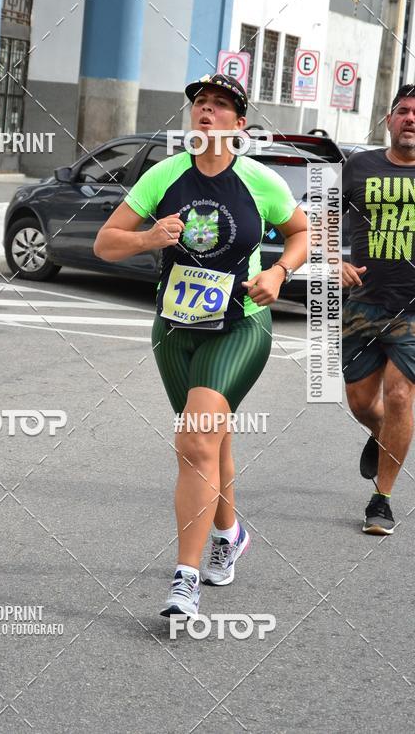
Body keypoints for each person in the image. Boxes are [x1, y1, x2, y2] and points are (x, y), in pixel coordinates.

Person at [94, 72, 308, 618]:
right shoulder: (164, 176)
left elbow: (301, 234)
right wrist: (148, 237)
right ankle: (229, 533)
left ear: (239, 124)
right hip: (174, 329)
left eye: (220, 106)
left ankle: (184, 580)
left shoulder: (262, 182)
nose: (206, 112)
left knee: (193, 441)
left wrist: (280, 272)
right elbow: (105, 244)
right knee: (210, 445)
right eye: (200, 104)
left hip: (241, 325)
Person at [342, 84, 415, 535]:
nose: (411, 119)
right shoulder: (359, 166)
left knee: (401, 395)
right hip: (362, 305)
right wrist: (335, 259)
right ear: (389, 120)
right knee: (361, 402)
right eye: (403, 111)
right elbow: (326, 217)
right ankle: (379, 432)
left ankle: (381, 499)